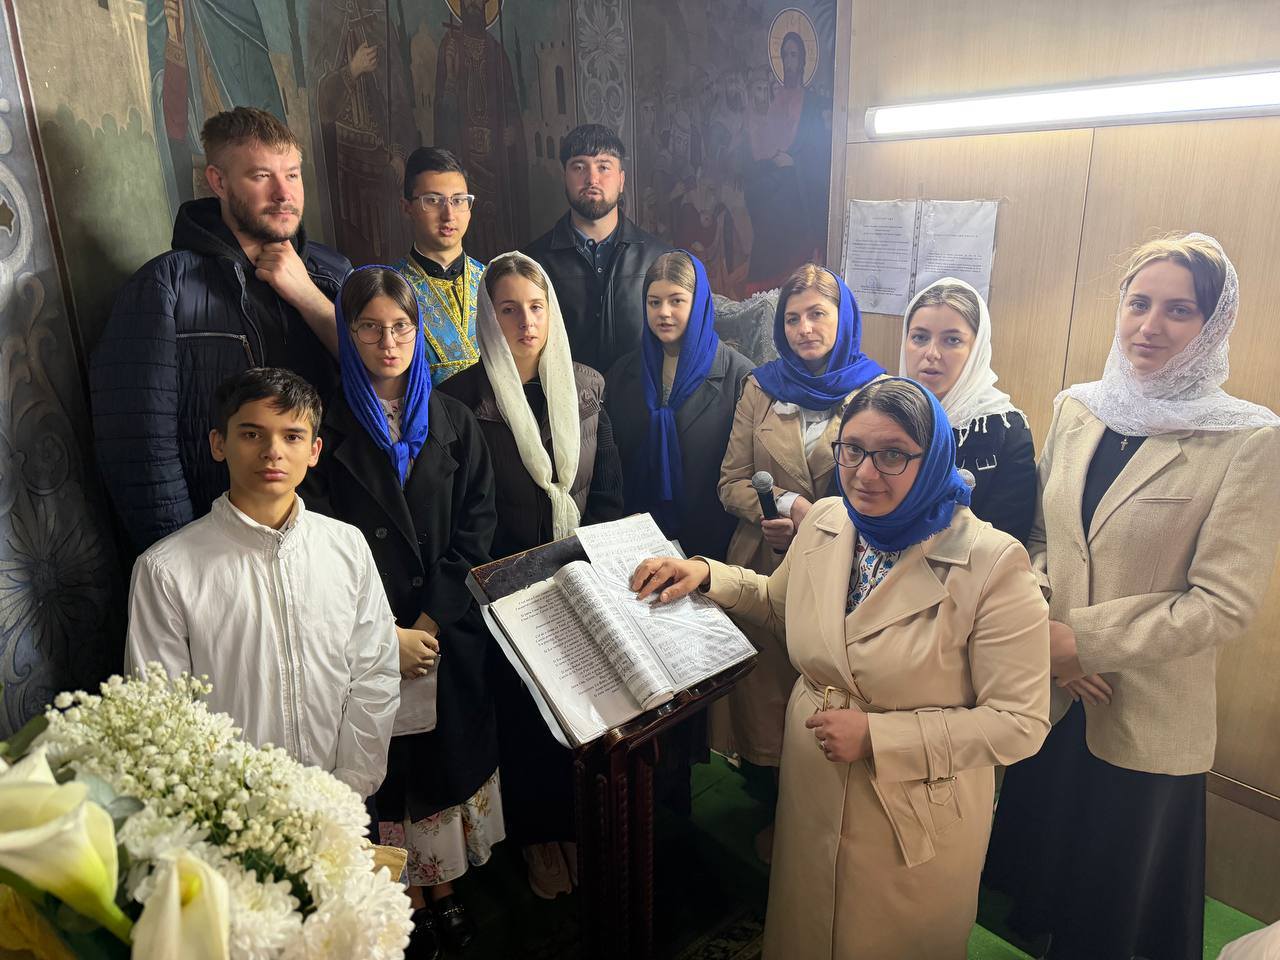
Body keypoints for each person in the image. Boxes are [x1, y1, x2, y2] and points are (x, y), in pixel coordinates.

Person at [631, 377, 1051, 960]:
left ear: (933, 458)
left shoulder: (992, 564)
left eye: (893, 454)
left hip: (912, 801)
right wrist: (707, 574)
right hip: (814, 775)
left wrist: (881, 736)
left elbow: (1020, 722)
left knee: (884, 939)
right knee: (807, 927)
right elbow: (779, 604)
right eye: (852, 449)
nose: (865, 472)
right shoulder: (829, 521)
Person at [984, 233, 1280, 960]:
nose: (1150, 326)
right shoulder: (1079, 408)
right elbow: (1041, 537)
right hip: (1053, 697)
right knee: (1035, 891)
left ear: (1213, 325)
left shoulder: (1247, 439)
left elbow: (1222, 602)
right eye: (1138, 303)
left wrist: (1081, 642)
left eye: (1179, 310)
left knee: (1108, 913)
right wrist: (1049, 638)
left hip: (1142, 710)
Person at [300, 266, 501, 956]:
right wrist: (385, 636)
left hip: (443, 630)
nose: (388, 342)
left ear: (418, 333)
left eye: (401, 327)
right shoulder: (324, 426)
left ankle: (443, 885)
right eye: (370, 327)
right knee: (385, 775)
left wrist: (429, 622)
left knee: (442, 766)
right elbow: (316, 542)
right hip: (366, 637)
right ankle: (403, 893)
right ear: (347, 331)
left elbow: (477, 526)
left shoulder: (452, 419)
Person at [439, 252, 625, 897]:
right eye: (508, 309)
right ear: (487, 317)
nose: (525, 322)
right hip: (505, 591)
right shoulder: (461, 397)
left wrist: (596, 567)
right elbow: (463, 509)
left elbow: (609, 492)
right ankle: (538, 838)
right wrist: (503, 582)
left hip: (577, 578)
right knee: (523, 718)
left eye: (536, 307)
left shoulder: (586, 385)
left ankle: (574, 826)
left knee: (579, 715)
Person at [124, 368, 400, 802]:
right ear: (219, 444)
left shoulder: (346, 546)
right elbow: (161, 711)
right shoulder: (166, 570)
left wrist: (348, 787)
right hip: (230, 814)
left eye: (292, 436)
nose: (273, 452)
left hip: (343, 802)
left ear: (314, 450)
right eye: (252, 434)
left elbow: (375, 672)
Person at [91, 106, 350, 551]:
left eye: (292, 175)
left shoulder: (333, 274)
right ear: (218, 181)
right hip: (219, 541)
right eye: (261, 176)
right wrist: (187, 556)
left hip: (329, 533)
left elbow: (388, 387)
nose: (283, 193)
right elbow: (139, 446)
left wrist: (308, 295)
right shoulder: (165, 286)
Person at [713, 263, 885, 857]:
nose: (804, 328)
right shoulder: (761, 387)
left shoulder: (875, 392)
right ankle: (774, 811)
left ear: (843, 319)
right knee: (767, 701)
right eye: (792, 318)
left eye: (817, 314)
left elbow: (885, 488)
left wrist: (820, 519)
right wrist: (786, 503)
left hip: (844, 569)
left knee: (828, 693)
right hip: (764, 559)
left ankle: (823, 823)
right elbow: (730, 481)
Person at [605, 250, 753, 561]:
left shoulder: (740, 376)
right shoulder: (622, 373)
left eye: (676, 301)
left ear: (698, 304)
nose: (664, 312)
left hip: (710, 543)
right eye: (654, 302)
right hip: (637, 540)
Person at [524, 123, 673, 374]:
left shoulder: (659, 259)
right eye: (579, 167)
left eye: (604, 167)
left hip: (642, 395)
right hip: (564, 396)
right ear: (564, 176)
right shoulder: (532, 263)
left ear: (621, 180)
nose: (592, 179)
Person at [900, 277, 1036, 542]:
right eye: (919, 337)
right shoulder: (884, 413)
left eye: (952, 340)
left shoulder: (1005, 428)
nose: (931, 353)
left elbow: (1005, 538)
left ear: (976, 350)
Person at [390, 147, 485, 386]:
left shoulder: (493, 280)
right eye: (433, 200)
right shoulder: (388, 288)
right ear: (406, 207)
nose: (448, 214)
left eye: (458, 200)